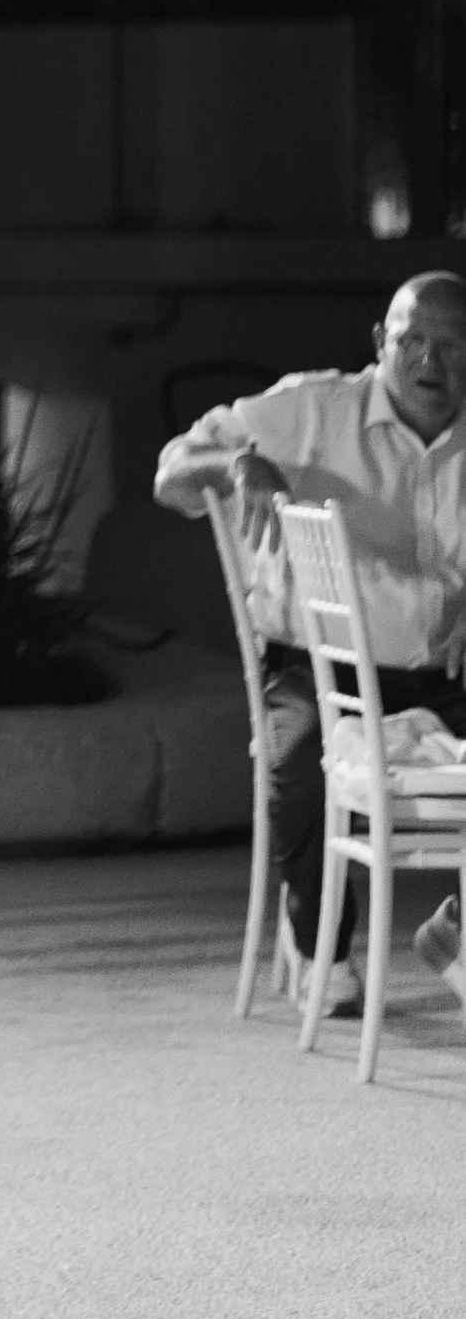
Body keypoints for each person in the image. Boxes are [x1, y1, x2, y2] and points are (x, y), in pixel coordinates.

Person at [153, 274, 466, 1009]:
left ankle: (456, 932)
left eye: (454, 347)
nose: (431, 362)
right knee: (301, 761)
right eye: (413, 341)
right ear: (379, 345)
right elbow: (170, 472)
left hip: (446, 674)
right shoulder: (310, 410)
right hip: (320, 668)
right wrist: (239, 465)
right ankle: (319, 939)